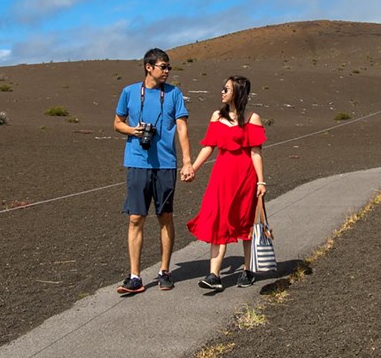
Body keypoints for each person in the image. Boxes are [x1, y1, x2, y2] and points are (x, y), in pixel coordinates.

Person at [112, 48, 194, 294]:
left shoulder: (174, 94)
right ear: (149, 67)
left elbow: (181, 128)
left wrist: (187, 161)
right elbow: (116, 123)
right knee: (135, 217)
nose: (167, 71)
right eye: (163, 66)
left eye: (169, 67)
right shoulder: (129, 92)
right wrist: (133, 131)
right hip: (137, 162)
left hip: (165, 164)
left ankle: (164, 271)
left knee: (165, 216)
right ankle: (135, 276)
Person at [186, 75, 267, 290]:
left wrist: (261, 182)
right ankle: (214, 275)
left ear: (238, 92)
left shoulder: (252, 118)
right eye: (223, 88)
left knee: (244, 222)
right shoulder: (216, 116)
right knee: (217, 219)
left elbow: (256, 152)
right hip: (221, 176)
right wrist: (193, 168)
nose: (222, 92)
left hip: (245, 177)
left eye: (227, 89)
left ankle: (248, 270)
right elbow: (208, 146)